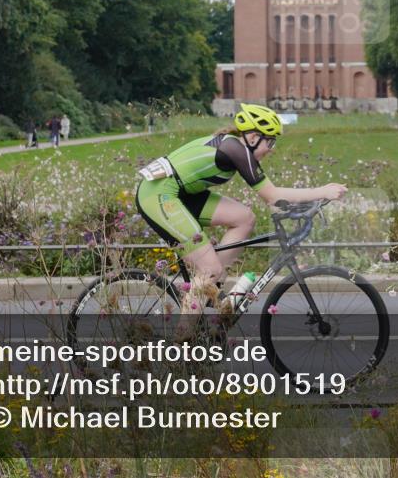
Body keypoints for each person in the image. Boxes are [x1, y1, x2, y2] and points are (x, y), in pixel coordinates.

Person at [134, 103, 347, 341]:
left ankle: (208, 290)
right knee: (209, 269)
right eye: (271, 142)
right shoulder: (235, 149)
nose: (272, 149)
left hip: (182, 194)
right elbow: (273, 197)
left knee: (244, 218)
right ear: (254, 137)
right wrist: (322, 191)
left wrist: (307, 205)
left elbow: (274, 202)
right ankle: (181, 344)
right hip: (158, 195)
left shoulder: (236, 146)